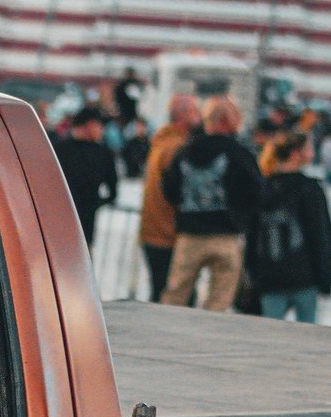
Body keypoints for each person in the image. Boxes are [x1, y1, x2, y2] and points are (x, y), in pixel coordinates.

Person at [161, 96, 265, 311]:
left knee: (176, 295)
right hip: (226, 234)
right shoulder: (240, 153)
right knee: (219, 300)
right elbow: (256, 192)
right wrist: (240, 213)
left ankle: (166, 337)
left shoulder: (185, 151)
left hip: (190, 234)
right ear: (229, 121)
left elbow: (169, 188)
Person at [245, 131, 331, 322]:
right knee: (307, 334)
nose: (312, 152)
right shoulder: (310, 189)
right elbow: (320, 235)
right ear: (295, 153)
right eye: (307, 148)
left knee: (270, 334)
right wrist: (326, 279)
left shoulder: (263, 187)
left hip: (270, 277)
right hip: (305, 277)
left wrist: (253, 273)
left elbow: (251, 234)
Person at [140, 93, 202, 299]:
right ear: (183, 116)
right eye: (195, 111)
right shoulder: (177, 147)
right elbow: (180, 190)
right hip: (169, 234)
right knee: (178, 297)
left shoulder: (161, 142)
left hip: (153, 231)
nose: (200, 116)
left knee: (159, 292)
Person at [52, 111, 118, 240]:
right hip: (84, 225)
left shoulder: (58, 149)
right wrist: (95, 202)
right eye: (100, 126)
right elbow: (113, 191)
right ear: (90, 125)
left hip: (54, 224)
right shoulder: (103, 154)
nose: (102, 130)